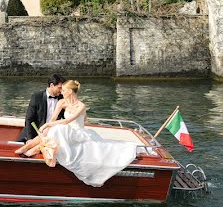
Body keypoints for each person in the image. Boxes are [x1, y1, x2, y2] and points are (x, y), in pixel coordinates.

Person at [13, 80, 142, 187]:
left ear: (69, 91)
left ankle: (32, 148)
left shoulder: (81, 106)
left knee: (58, 129)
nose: (61, 92)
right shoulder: (61, 102)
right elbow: (53, 119)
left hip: (77, 132)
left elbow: (67, 121)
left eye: (63, 90)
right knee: (54, 129)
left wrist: (47, 125)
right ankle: (28, 147)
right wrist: (46, 127)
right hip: (65, 130)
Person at [15, 74, 65, 143]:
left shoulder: (63, 98)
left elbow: (65, 117)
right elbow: (29, 119)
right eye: (59, 88)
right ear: (51, 85)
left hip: (54, 133)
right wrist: (30, 138)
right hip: (36, 133)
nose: (61, 90)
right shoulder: (37, 97)